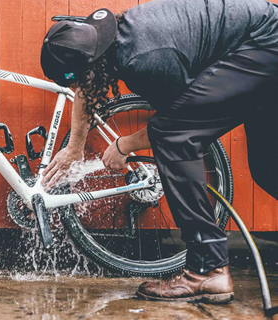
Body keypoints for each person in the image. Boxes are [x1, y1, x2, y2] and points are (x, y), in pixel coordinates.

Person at [40, 0, 278, 303]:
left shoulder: (145, 60)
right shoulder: (108, 40)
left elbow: (175, 123)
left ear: (91, 67)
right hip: (264, 43)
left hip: (266, 43)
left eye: (77, 82)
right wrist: (74, 148)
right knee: (268, 167)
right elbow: (87, 89)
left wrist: (122, 145)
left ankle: (208, 270)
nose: (78, 92)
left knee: (173, 136)